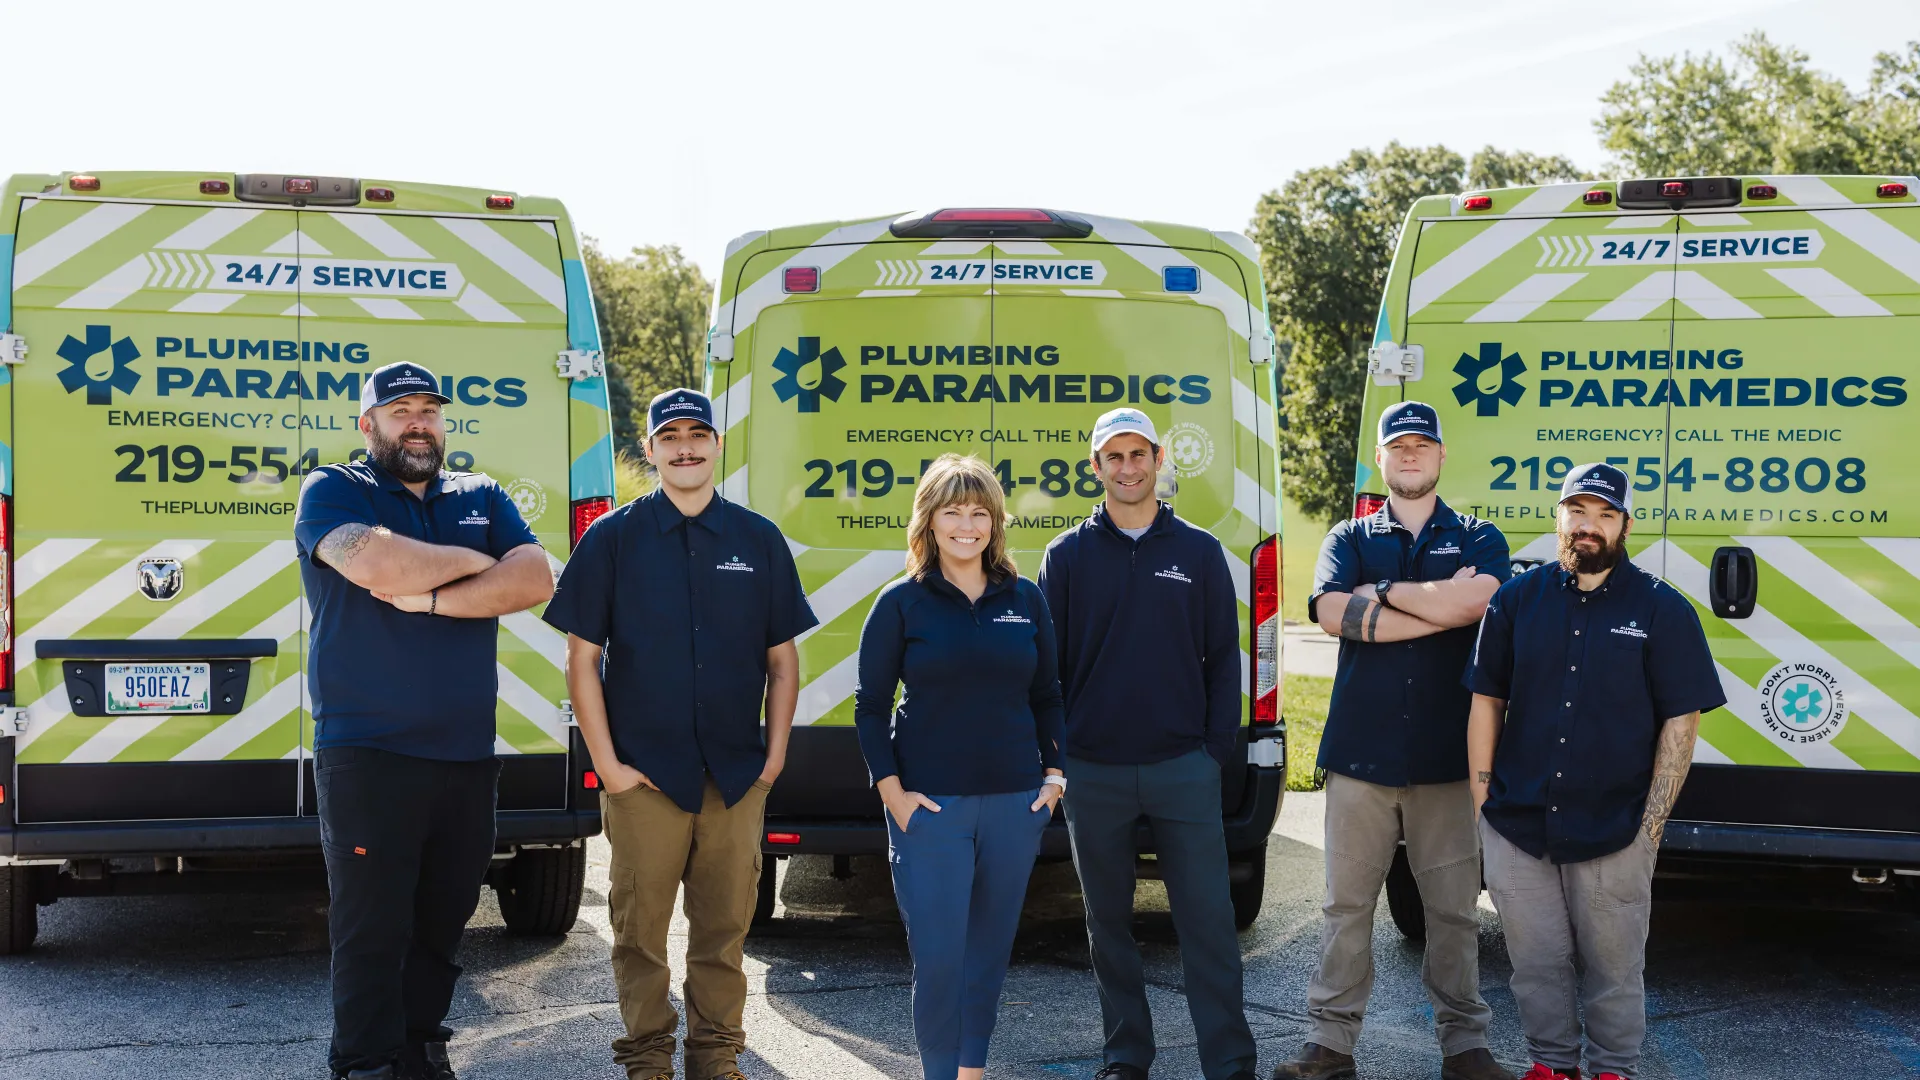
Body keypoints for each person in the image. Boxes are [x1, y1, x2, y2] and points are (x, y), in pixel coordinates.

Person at [542, 388, 815, 1080]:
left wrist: (773, 757)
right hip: (645, 775)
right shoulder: (611, 538)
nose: (685, 446)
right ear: (651, 450)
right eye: (671, 436)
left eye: (698, 434)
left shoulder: (757, 540)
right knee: (639, 934)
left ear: (718, 444)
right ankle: (647, 1059)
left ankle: (716, 1054)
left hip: (734, 774)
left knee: (724, 933)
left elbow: (782, 661)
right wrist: (608, 764)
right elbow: (582, 659)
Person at [294, 361, 556, 1080]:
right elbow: (378, 565)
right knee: (371, 924)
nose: (418, 421)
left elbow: (535, 578)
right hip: (368, 750)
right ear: (368, 424)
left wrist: (436, 596)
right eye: (400, 409)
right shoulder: (333, 490)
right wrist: (476, 563)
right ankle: (366, 1062)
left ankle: (417, 1046)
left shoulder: (482, 492)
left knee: (444, 918)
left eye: (429, 410)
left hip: (466, 753)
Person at [1275, 401, 1512, 1080]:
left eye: (1421, 445)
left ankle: (1465, 1048)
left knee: (1454, 913)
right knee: (1344, 908)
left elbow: (1482, 600)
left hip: (1446, 758)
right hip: (1360, 757)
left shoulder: (1477, 535)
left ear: (1441, 456)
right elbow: (1331, 614)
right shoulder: (1347, 537)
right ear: (1380, 459)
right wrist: (1435, 607)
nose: (1410, 455)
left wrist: (1381, 596)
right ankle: (1330, 1047)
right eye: (1397, 446)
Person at [1466, 463, 1724, 1080]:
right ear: (1558, 517)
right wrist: (1481, 801)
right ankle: (1551, 1066)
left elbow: (1680, 723)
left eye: (1605, 514)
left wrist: (1651, 825)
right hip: (1519, 821)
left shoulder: (1663, 610)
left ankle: (1613, 1068)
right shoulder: (1514, 600)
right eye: (1577, 511)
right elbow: (1485, 701)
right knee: (1534, 962)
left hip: (1618, 825)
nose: (1589, 526)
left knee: (1613, 967)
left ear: (1626, 526)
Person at [1037, 407, 1258, 1080]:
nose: (1127, 468)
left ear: (1160, 460)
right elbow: (1047, 668)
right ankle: (1127, 1056)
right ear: (1095, 466)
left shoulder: (1196, 551)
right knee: (1108, 928)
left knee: (1209, 926)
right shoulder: (1067, 556)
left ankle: (1229, 1061)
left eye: (1139, 455)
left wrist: (1214, 750)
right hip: (1095, 773)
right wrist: (1061, 756)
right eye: (1114, 456)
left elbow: (1225, 657)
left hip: (1182, 769)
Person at [853, 453, 1067, 1080]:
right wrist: (893, 793)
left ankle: (971, 1071)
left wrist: (1054, 780)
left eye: (979, 513)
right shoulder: (901, 604)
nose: (967, 525)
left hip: (1014, 804)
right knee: (941, 957)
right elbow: (870, 708)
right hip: (930, 808)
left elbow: (1049, 694)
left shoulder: (1024, 599)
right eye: (953, 512)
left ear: (996, 523)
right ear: (929, 521)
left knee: (988, 953)